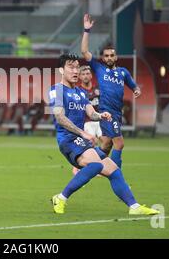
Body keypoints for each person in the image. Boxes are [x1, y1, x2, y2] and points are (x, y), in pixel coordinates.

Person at [49, 54, 159, 216]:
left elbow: (91, 113)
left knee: (114, 170)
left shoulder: (80, 92)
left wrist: (101, 115)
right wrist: (82, 132)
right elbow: (59, 116)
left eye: (77, 67)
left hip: (81, 140)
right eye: (70, 67)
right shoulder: (57, 90)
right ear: (61, 70)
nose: (75, 71)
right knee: (96, 165)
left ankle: (134, 207)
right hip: (68, 140)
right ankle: (61, 197)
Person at [81, 14, 141, 169]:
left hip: (117, 112)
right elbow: (84, 51)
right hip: (107, 112)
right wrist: (86, 30)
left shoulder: (123, 72)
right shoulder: (99, 68)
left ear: (116, 57)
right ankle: (116, 173)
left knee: (106, 145)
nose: (109, 58)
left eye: (111, 55)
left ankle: (84, 164)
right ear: (103, 57)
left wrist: (136, 90)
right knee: (119, 144)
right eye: (106, 55)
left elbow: (133, 85)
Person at [72, 65, 101, 175]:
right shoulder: (78, 91)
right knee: (90, 144)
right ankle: (77, 168)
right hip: (86, 122)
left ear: (91, 75)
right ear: (79, 76)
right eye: (83, 74)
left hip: (99, 120)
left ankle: (98, 164)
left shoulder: (98, 90)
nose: (85, 76)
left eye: (87, 73)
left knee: (106, 142)